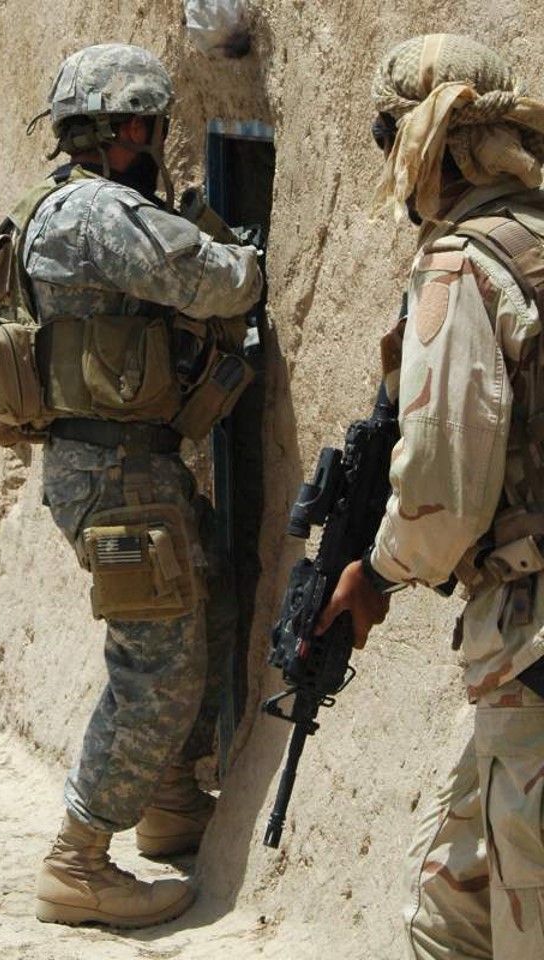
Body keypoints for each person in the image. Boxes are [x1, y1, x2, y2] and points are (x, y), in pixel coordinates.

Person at [21, 44, 263, 928]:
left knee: (206, 604)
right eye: (146, 124)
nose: (154, 138)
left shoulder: (66, 205)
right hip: (118, 470)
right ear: (117, 128)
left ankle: (169, 805)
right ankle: (78, 860)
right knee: (156, 667)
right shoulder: (98, 211)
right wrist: (249, 258)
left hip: (124, 465)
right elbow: (216, 283)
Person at [317, 34, 544, 959]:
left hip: (531, 651)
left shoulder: (465, 267)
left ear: (425, 144)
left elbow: (444, 492)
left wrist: (374, 571)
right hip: (521, 671)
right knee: (452, 913)